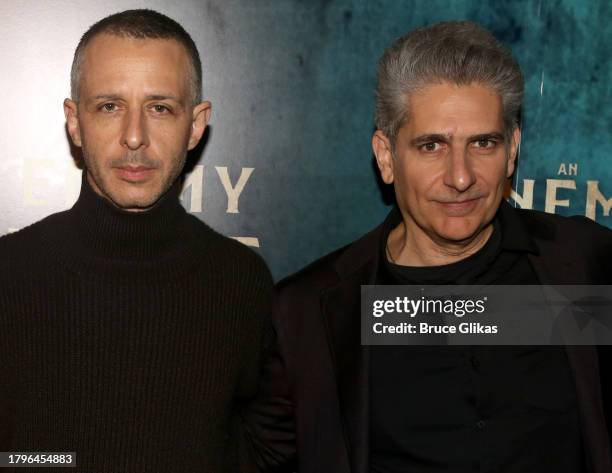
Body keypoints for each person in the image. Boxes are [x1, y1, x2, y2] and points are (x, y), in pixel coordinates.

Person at [248, 20, 612, 473]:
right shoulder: (310, 315)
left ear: (513, 149)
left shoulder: (584, 263)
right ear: (386, 155)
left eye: (483, 143)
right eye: (431, 145)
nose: (461, 177)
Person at [0, 9, 272, 472]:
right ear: (74, 121)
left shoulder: (243, 284)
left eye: (159, 108)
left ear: (196, 124)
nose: (134, 137)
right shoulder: (7, 274)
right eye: (109, 106)